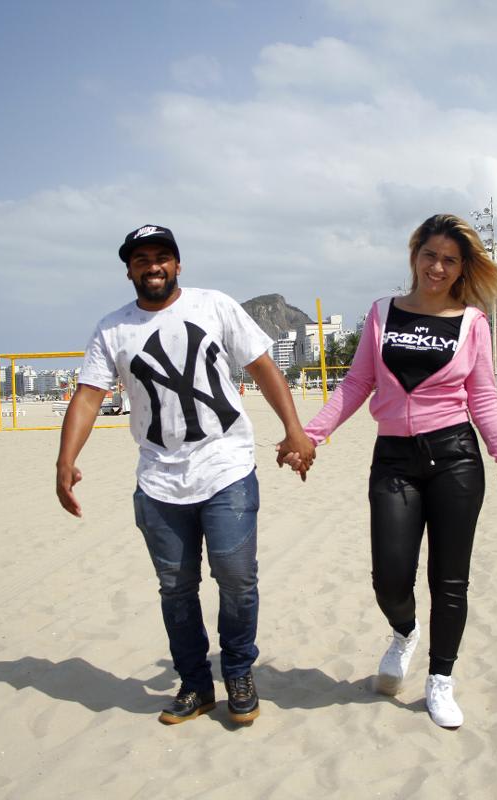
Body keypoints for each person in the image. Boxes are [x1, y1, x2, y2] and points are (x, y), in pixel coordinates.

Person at [55, 223, 314, 727]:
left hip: (226, 466)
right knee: (176, 587)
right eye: (141, 259)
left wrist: (294, 430)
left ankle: (238, 671)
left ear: (177, 264)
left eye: (161, 257)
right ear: (128, 270)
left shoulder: (214, 306)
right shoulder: (112, 329)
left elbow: (262, 367)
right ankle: (196, 684)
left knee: (236, 577)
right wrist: (65, 460)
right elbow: (88, 396)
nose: (152, 266)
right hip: (159, 478)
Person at [282, 213, 497, 729]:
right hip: (394, 458)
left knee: (450, 580)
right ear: (414, 254)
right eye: (430, 255)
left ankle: (440, 679)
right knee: (390, 577)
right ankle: (405, 632)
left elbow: (483, 398)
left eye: (449, 260)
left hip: (455, 458)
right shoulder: (382, 312)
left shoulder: (472, 323)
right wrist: (311, 435)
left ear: (462, 268)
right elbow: (357, 384)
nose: (437, 268)